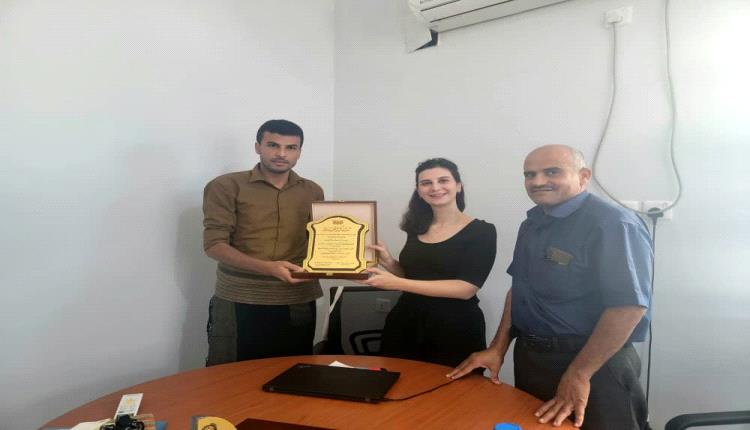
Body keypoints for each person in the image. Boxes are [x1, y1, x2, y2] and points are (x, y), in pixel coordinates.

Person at [448, 145, 652, 429]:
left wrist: (579, 373)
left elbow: (629, 307)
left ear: (583, 176)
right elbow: (520, 289)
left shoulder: (613, 223)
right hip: (532, 359)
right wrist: (497, 348)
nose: (538, 181)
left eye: (552, 172)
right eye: (529, 174)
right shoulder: (532, 223)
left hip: (595, 365)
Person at [202, 119, 324, 365]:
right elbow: (214, 245)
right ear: (258, 147)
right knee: (235, 373)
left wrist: (350, 260)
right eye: (273, 145)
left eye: (291, 147)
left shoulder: (312, 191)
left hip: (298, 297)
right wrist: (267, 268)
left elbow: (320, 241)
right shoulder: (226, 186)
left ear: (299, 152)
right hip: (241, 297)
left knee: (295, 370)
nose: (281, 154)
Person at [360, 158, 497, 367]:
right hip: (406, 321)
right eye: (426, 183)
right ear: (419, 191)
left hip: (454, 328)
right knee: (397, 380)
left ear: (458, 186)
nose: (435, 187)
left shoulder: (482, 231)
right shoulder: (417, 227)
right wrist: (388, 262)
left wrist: (398, 283)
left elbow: (466, 289)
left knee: (452, 387)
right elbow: (413, 276)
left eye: (443, 180)